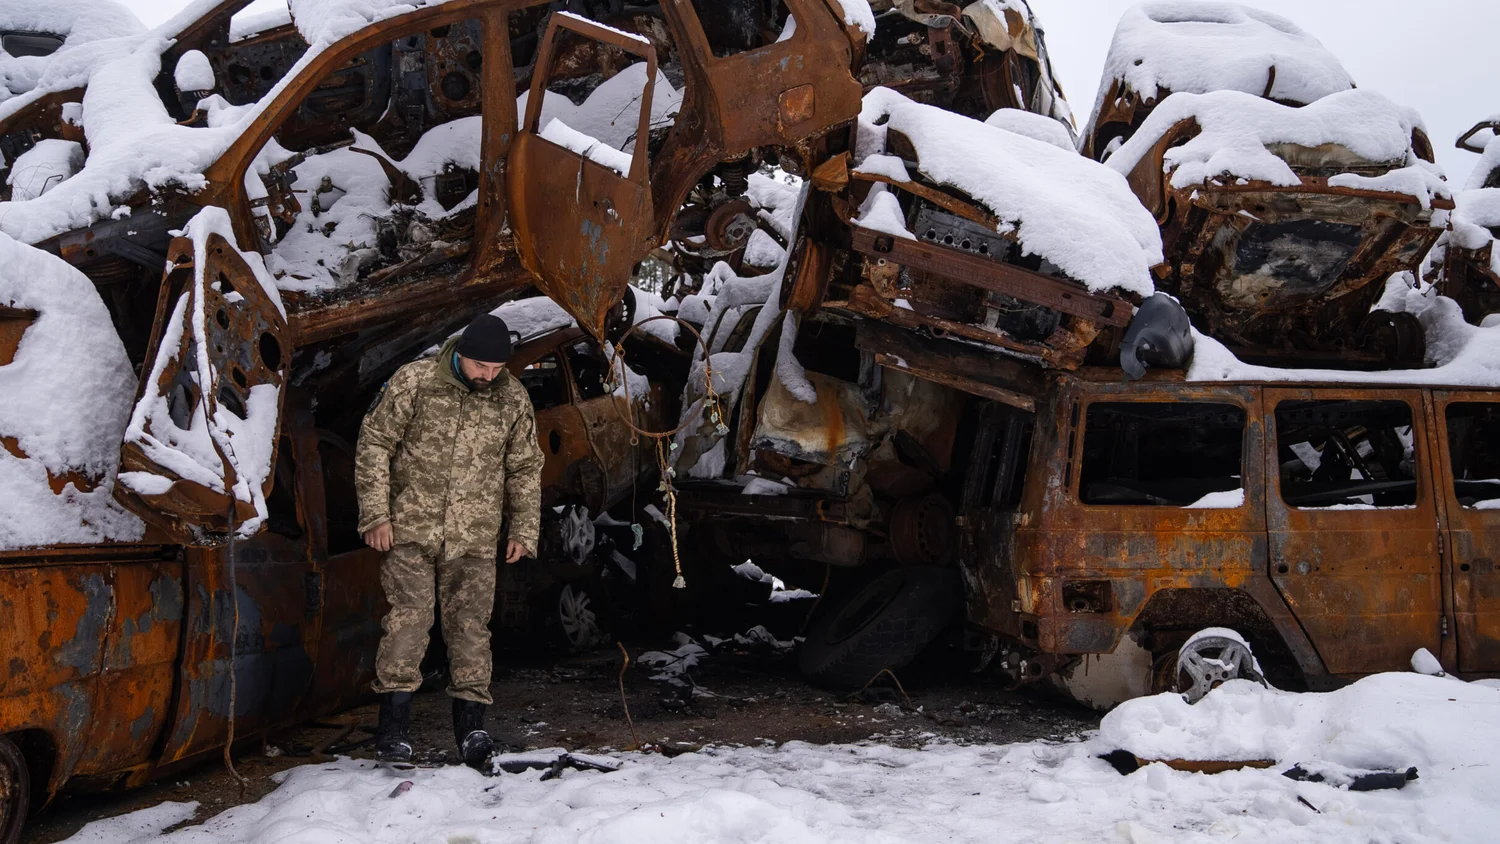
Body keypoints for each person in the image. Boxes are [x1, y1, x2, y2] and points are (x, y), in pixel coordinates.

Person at [354, 312, 545, 767]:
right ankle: (394, 731)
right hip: (410, 530)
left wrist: (523, 529)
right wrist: (376, 515)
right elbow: (374, 443)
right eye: (482, 368)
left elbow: (524, 468)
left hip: (475, 538)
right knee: (408, 623)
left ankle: (472, 729)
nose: (489, 377)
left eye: (497, 370)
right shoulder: (414, 382)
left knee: (471, 630)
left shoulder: (512, 397)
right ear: (461, 354)